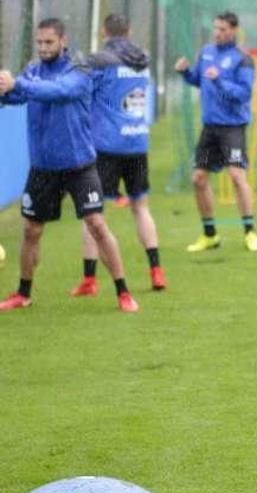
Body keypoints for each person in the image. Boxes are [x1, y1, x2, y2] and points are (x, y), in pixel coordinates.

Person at [0, 18, 138, 313]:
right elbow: (17, 94)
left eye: (48, 42)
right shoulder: (33, 71)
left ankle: (123, 292)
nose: (42, 48)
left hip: (79, 166)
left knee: (97, 225)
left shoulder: (80, 68)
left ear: (63, 41)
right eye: (39, 42)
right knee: (31, 231)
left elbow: (60, 91)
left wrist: (19, 83)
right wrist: (4, 91)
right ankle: (23, 293)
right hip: (43, 168)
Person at [70, 13, 166, 298]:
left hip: (107, 146)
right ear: (129, 31)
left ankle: (89, 279)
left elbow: (82, 91)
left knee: (92, 214)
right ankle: (156, 270)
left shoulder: (100, 61)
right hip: (137, 142)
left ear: (104, 32)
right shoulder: (143, 60)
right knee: (141, 207)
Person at [174, 10, 257, 253]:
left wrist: (219, 81)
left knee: (236, 176)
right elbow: (198, 80)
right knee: (198, 179)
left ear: (234, 30)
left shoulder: (242, 58)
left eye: (222, 29)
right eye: (215, 28)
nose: (217, 33)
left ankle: (249, 231)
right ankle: (210, 234)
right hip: (210, 127)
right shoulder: (206, 53)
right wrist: (185, 73)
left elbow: (243, 94)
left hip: (233, 127)